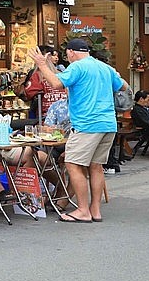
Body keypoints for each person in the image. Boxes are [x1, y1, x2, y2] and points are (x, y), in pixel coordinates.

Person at [28, 39, 127, 223]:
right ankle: (95, 210)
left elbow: (57, 83)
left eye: (67, 54)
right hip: (108, 123)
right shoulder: (104, 67)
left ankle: (82, 210)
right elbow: (124, 87)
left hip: (86, 124)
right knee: (96, 166)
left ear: (72, 52)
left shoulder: (77, 67)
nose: (67, 58)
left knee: (72, 164)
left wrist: (42, 64)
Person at [23, 46, 67, 118]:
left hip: (45, 115)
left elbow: (29, 93)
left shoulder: (37, 75)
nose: (56, 58)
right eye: (54, 55)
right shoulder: (61, 74)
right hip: (63, 113)